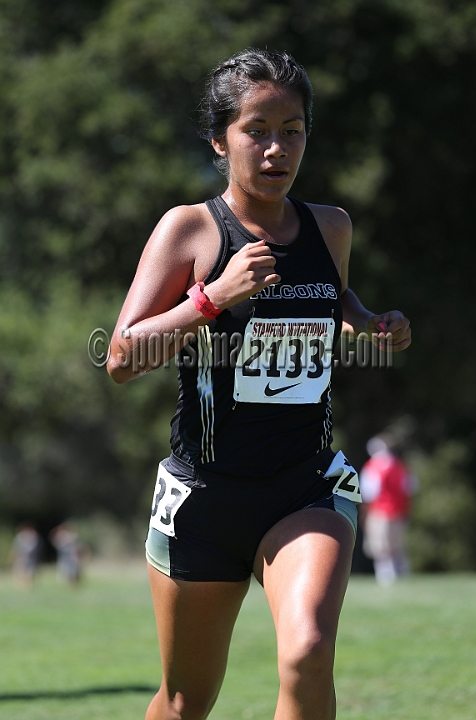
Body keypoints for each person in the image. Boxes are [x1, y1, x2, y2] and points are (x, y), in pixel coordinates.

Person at [107, 49, 411, 720]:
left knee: (306, 653)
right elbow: (122, 358)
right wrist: (212, 297)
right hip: (206, 497)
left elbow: (331, 299)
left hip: (305, 487)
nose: (277, 148)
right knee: (187, 700)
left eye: (293, 129)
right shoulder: (190, 229)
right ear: (220, 139)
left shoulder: (331, 227)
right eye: (257, 129)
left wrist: (370, 322)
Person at [360, 436, 417, 585]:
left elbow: (369, 493)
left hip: (379, 512)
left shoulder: (372, 467)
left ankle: (387, 578)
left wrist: (364, 514)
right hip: (399, 511)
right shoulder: (401, 466)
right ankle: (403, 575)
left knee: (381, 549)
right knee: (398, 547)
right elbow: (410, 489)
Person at [10, 522, 42, 589]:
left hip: (31, 558)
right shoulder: (20, 537)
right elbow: (16, 549)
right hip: (22, 558)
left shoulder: (33, 537)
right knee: (22, 572)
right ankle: (22, 585)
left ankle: (28, 586)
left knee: (29, 572)